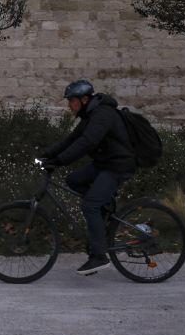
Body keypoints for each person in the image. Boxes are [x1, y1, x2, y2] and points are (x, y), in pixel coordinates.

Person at [39, 79, 137, 275]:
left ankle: (99, 256)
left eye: (71, 101)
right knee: (73, 180)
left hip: (118, 166)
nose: (69, 106)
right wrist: (46, 155)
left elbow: (86, 143)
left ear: (84, 99)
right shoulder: (90, 115)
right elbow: (72, 139)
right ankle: (105, 207)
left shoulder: (102, 114)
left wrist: (59, 161)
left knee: (89, 205)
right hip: (104, 164)